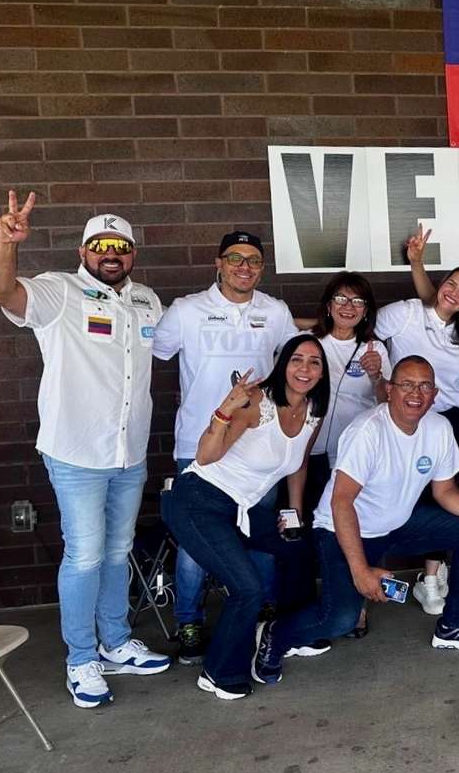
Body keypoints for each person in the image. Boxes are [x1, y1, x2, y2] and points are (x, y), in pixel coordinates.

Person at [0, 192, 170, 708]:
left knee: (117, 551)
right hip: (76, 454)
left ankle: (115, 642)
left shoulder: (147, 300)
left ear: (132, 253)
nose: (111, 253)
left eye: (121, 245)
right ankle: (81, 658)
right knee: (85, 555)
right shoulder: (58, 292)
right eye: (100, 244)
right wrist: (5, 242)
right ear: (84, 250)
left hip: (128, 455)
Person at [251, 356, 459, 683]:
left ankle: (455, 625)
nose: (416, 393)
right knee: (340, 619)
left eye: (425, 386)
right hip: (342, 529)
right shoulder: (368, 431)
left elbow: (445, 491)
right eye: (407, 385)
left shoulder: (438, 428)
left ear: (435, 393)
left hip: (396, 524)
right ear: (390, 391)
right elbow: (342, 502)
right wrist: (361, 571)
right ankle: (275, 634)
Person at [153, 231, 299, 666]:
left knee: (260, 532)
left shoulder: (274, 312)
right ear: (219, 262)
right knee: (196, 541)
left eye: (254, 260)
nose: (245, 267)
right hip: (199, 444)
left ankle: (264, 611)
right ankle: (189, 621)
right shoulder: (185, 310)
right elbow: (150, 352)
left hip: (257, 445)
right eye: (235, 258)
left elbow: (296, 355)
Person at [161, 335, 326, 700]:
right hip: (198, 501)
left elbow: (296, 465)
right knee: (247, 588)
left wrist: (294, 513)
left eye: (314, 362)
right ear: (283, 364)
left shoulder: (313, 410)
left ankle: (284, 634)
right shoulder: (255, 402)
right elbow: (205, 456)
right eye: (297, 359)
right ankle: (218, 672)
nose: (305, 368)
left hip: (242, 510)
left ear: (322, 372)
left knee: (298, 547)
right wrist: (225, 408)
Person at [380, 226, 459, 615]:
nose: (454, 293)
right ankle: (415, 574)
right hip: (408, 419)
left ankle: (430, 577)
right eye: (452, 284)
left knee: (443, 498)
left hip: (450, 420)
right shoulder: (406, 313)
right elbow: (359, 335)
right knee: (416, 496)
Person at [303, 272, 391, 638]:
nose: (348, 307)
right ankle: (312, 600)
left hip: (354, 459)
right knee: (311, 530)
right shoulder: (309, 342)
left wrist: (376, 377)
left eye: (357, 301)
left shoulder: (375, 349)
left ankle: (358, 606)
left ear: (367, 310)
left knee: (356, 529)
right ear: (328, 304)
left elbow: (390, 405)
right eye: (341, 299)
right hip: (308, 453)